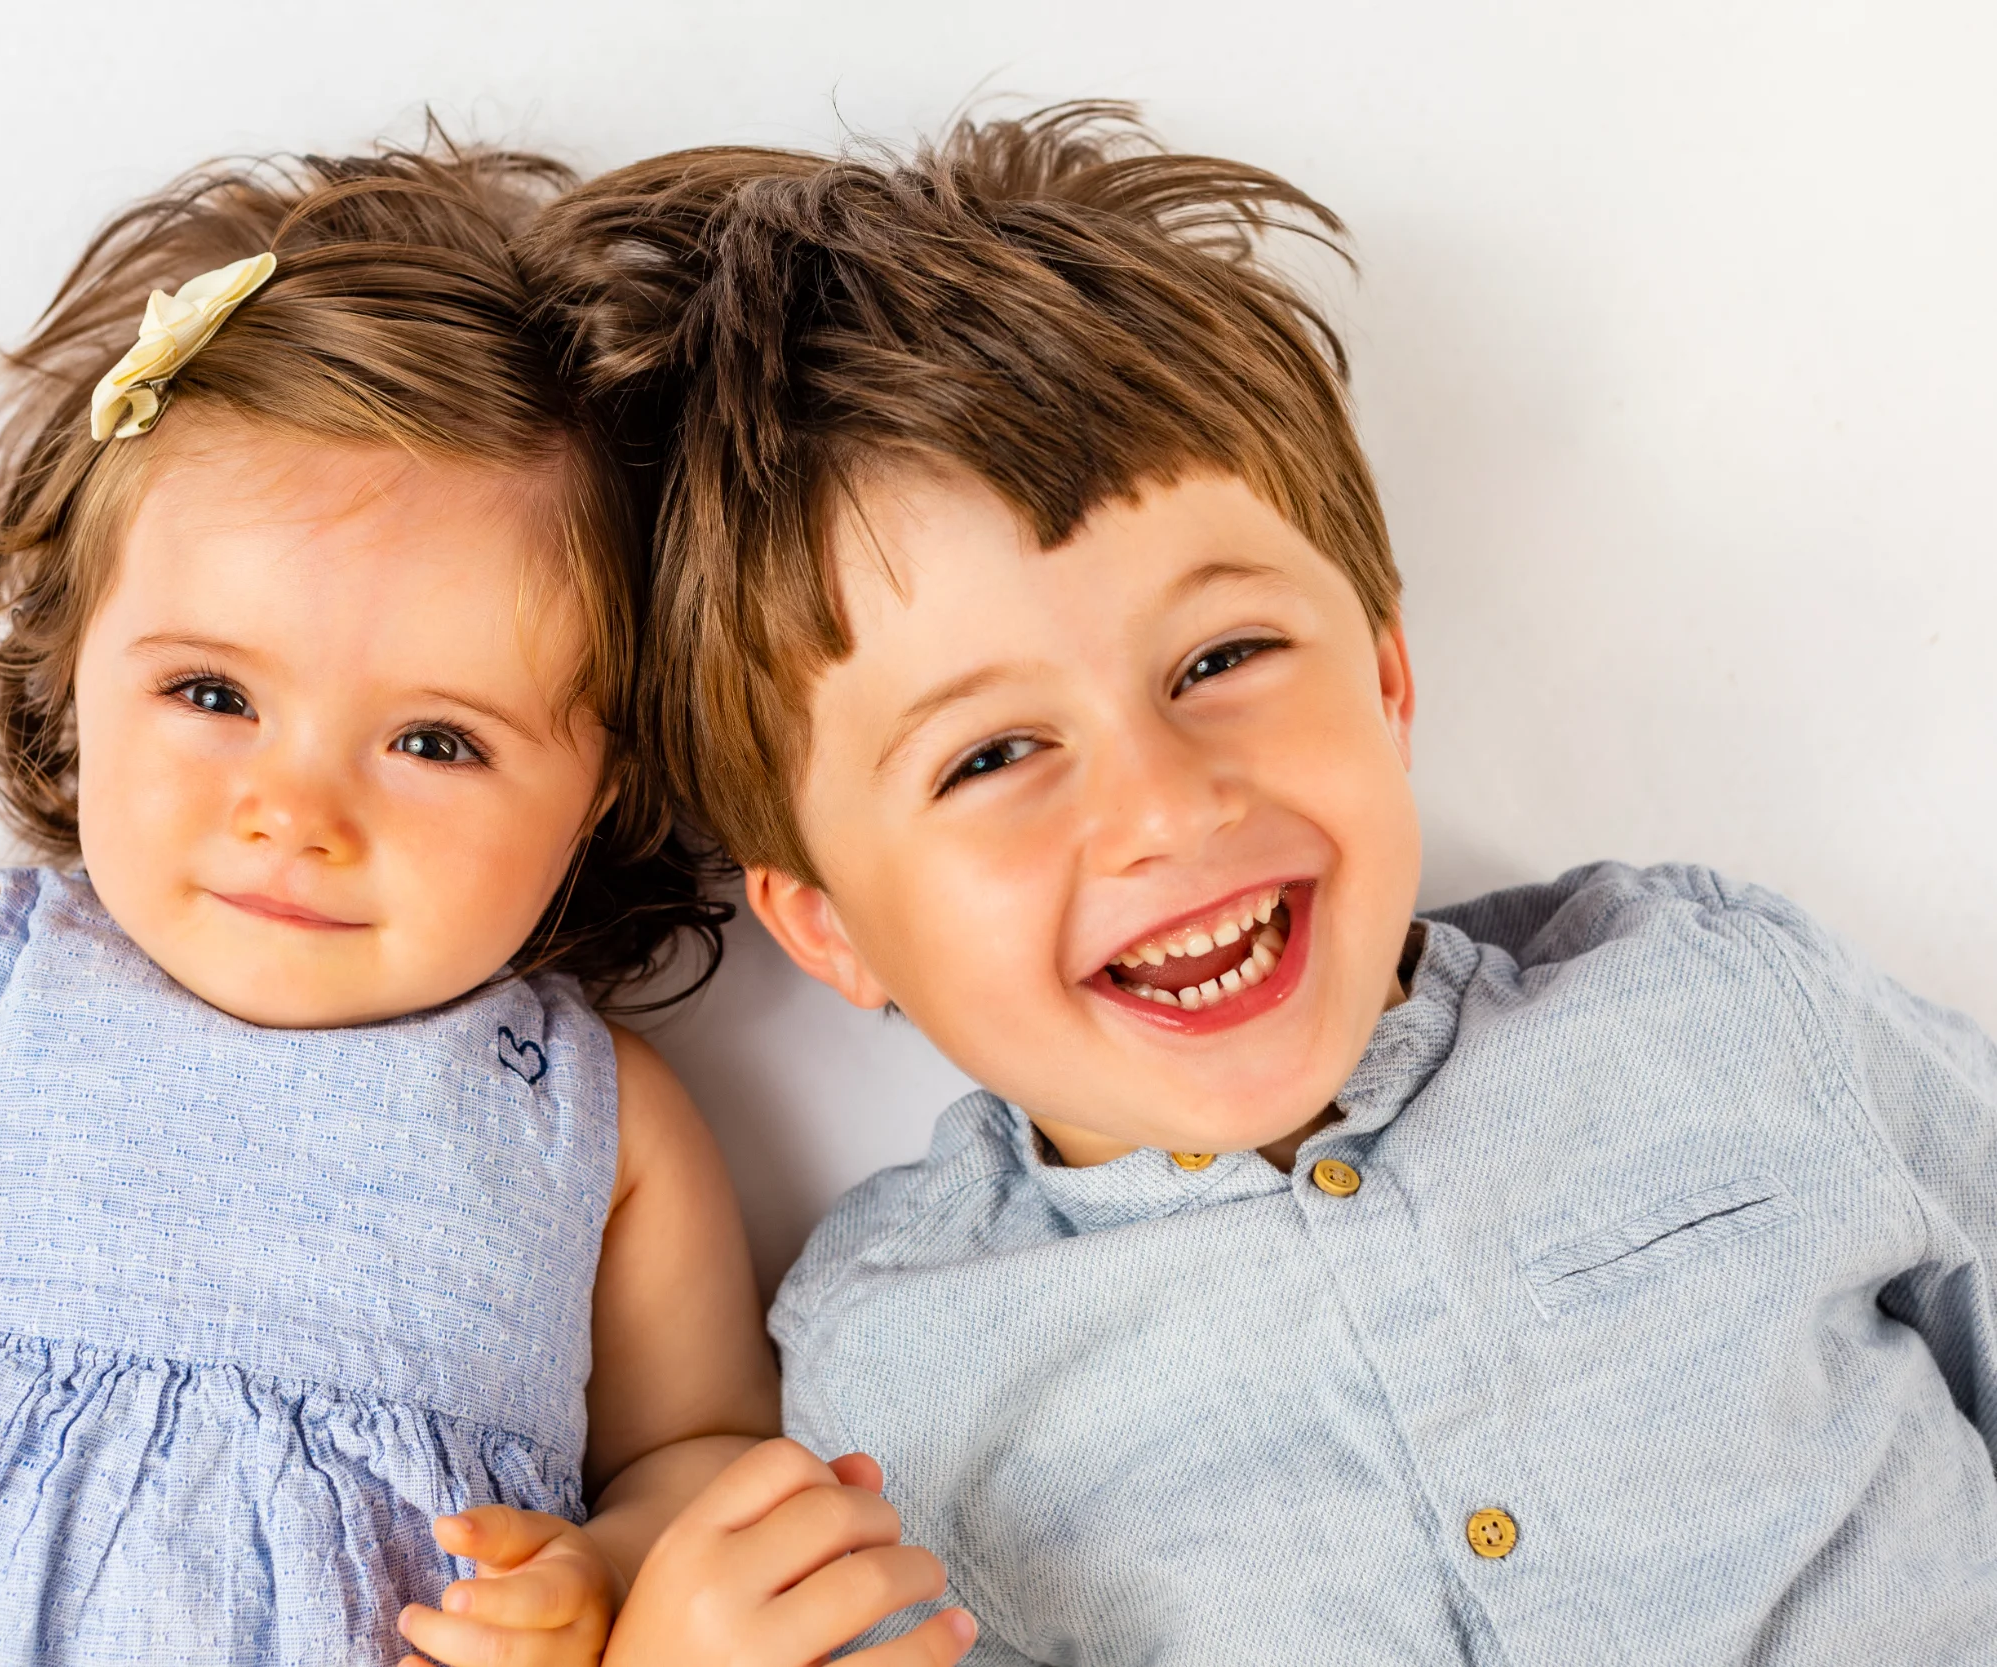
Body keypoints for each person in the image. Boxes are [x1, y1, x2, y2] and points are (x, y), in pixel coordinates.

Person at [532, 103, 1997, 1663]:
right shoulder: (896, 1359)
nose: (1166, 805)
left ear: (1385, 678)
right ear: (830, 928)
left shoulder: (1713, 1002)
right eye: (990, 755)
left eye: (1222, 658)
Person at [0, 140, 923, 1667]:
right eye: (211, 691)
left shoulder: (598, 1120)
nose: (296, 812)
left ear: (608, 787)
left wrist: (602, 1566)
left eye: (436, 741)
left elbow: (692, 1453)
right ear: (74, 680)